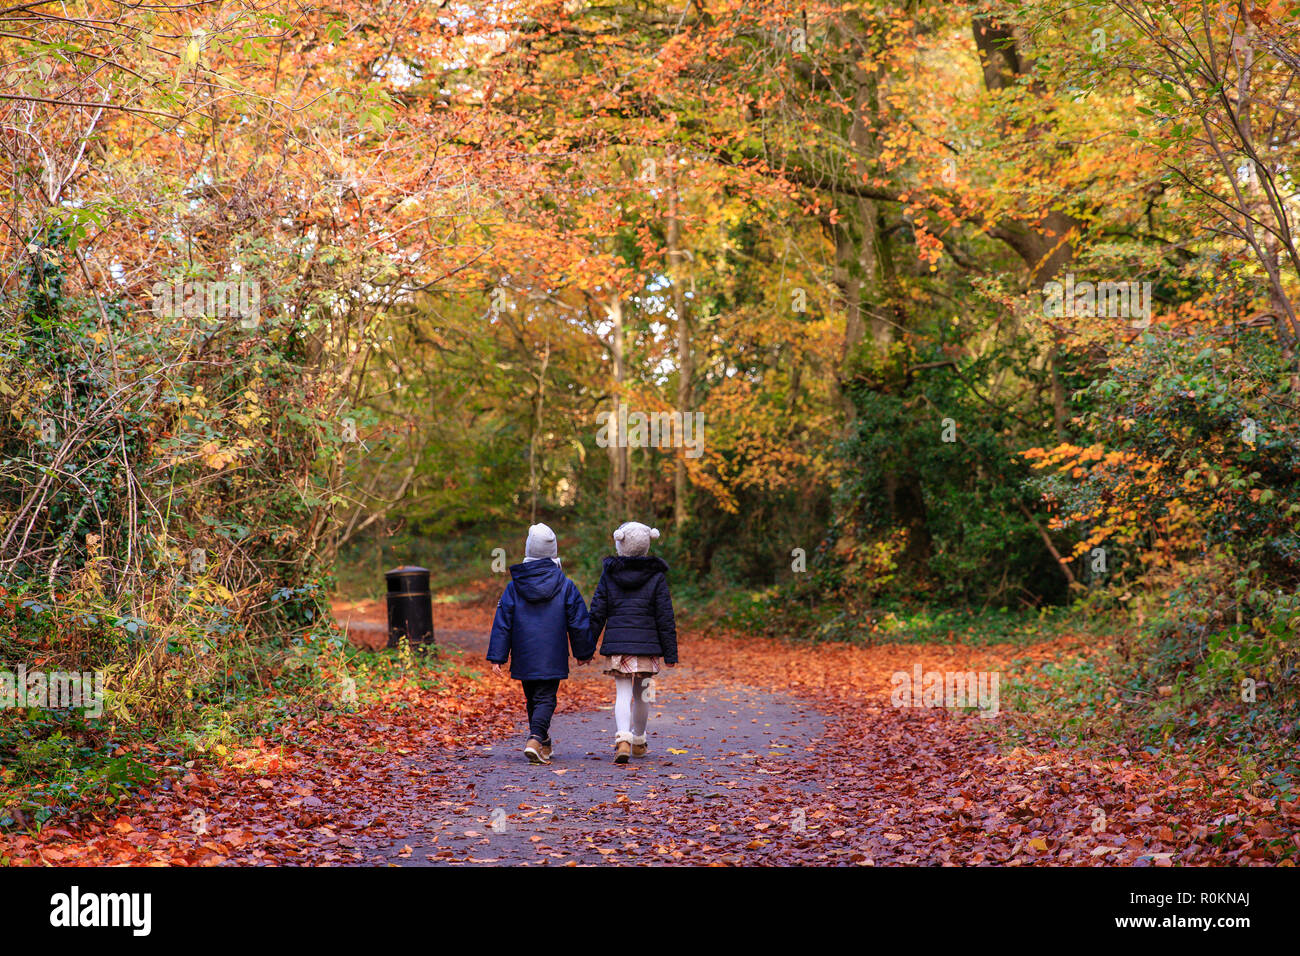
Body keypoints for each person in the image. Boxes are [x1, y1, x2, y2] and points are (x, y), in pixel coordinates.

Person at [486, 523, 593, 764]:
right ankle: (535, 738)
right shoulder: (565, 585)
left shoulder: (514, 587)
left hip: (524, 653)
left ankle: (542, 743)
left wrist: (498, 655)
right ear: (553, 552)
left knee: (533, 698)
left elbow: (503, 621)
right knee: (546, 698)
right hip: (552, 653)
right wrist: (583, 651)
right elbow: (578, 620)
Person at [588, 521, 678, 763]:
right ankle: (638, 740)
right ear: (647, 544)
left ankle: (623, 740)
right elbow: (665, 616)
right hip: (647, 647)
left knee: (622, 693)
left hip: (619, 646)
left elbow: (597, 612)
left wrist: (586, 646)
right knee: (643, 696)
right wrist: (670, 653)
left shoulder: (609, 575)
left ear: (619, 543)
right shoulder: (657, 577)